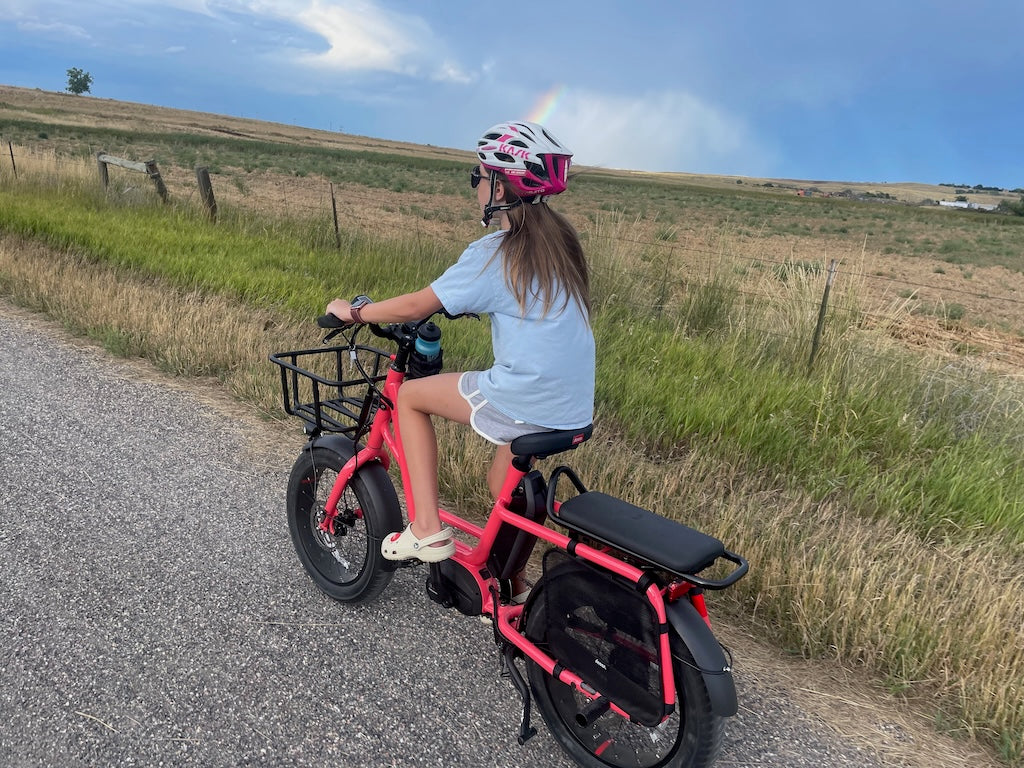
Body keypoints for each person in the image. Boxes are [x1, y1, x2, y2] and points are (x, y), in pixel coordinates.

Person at [325, 120, 594, 566]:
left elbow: (415, 306)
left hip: (524, 395)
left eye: (479, 176)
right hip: (571, 406)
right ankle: (510, 582)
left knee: (410, 396)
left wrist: (353, 312)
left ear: (501, 190)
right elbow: (530, 303)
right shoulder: (560, 242)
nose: (476, 186)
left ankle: (427, 531)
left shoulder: (495, 252)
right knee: (501, 488)